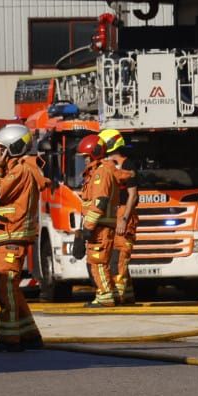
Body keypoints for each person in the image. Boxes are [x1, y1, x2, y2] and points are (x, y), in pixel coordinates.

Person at [0, 123, 47, 352]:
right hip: (9, 236)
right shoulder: (20, 169)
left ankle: (9, 339)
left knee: (5, 288)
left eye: (0, 149)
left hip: (11, 236)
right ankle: (30, 334)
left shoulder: (20, 170)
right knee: (13, 289)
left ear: (12, 147)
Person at [78, 134, 123, 308]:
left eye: (86, 157)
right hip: (100, 224)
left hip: (100, 226)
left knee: (98, 262)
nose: (85, 161)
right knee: (98, 261)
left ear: (94, 154)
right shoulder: (99, 171)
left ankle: (105, 296)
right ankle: (108, 292)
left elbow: (99, 201)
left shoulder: (101, 172)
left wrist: (88, 226)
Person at [100, 128, 139, 305]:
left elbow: (133, 194)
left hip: (124, 213)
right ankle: (128, 294)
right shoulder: (107, 165)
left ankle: (120, 295)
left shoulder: (127, 165)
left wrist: (124, 219)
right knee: (114, 253)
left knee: (121, 256)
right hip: (114, 213)